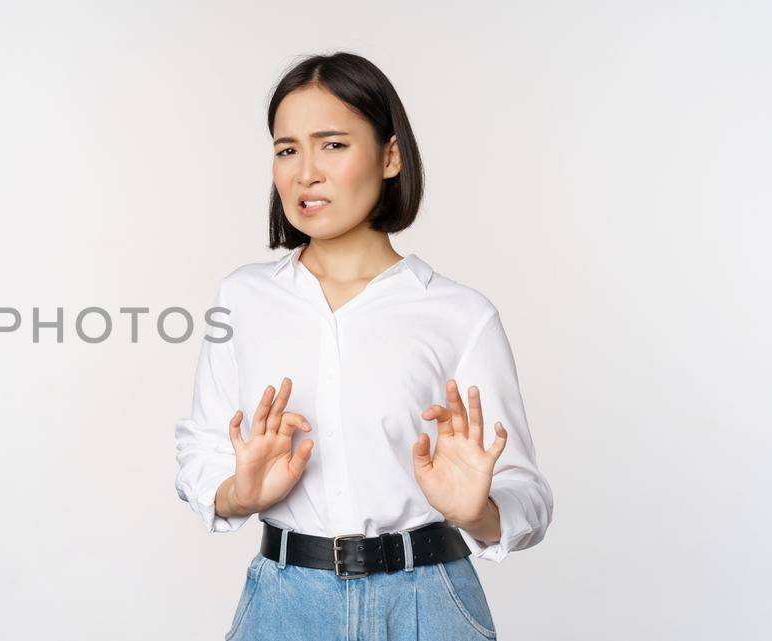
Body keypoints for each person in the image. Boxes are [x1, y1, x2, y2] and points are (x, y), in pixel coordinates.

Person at [173, 52, 554, 641]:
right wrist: (237, 492)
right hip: (285, 604)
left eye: (332, 145)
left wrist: (475, 510)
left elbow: (525, 492)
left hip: (430, 601)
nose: (306, 173)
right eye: (286, 149)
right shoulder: (243, 298)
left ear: (391, 155)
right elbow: (200, 452)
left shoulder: (460, 315)